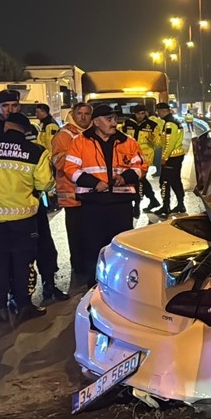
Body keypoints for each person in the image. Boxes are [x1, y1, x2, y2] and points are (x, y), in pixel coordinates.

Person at [0, 112, 53, 325]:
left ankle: (0, 309)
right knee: (23, 263)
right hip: (24, 219)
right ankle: (24, 306)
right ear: (26, 130)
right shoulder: (36, 152)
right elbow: (45, 183)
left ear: (6, 127)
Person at [63, 104, 145, 289]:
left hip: (121, 204)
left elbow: (140, 166)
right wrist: (94, 183)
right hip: (93, 205)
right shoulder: (80, 142)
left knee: (122, 248)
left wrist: (125, 178)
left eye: (115, 118)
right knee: (93, 249)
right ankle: (95, 287)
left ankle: (122, 286)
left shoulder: (128, 141)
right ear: (96, 122)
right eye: (109, 119)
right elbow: (70, 169)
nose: (114, 123)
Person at [51, 102, 93, 295]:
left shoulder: (93, 133)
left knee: (91, 233)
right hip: (72, 194)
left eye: (87, 114)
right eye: (79, 113)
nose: (83, 117)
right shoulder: (64, 135)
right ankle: (79, 267)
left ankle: (89, 265)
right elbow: (59, 162)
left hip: (91, 194)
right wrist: (82, 158)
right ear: (73, 115)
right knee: (76, 235)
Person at [24, 118, 66, 303]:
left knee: (20, 253)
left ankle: (18, 296)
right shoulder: (34, 150)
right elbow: (45, 182)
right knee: (43, 246)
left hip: (4, 210)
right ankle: (48, 286)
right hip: (31, 204)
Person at [120, 105, 160, 215]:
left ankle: (137, 205)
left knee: (138, 180)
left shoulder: (152, 125)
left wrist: (152, 138)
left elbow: (158, 143)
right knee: (138, 180)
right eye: (138, 113)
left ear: (146, 113)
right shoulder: (127, 123)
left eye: (142, 113)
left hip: (145, 157)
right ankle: (152, 200)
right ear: (134, 113)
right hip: (130, 156)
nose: (140, 116)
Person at [151, 103, 187, 216]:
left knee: (164, 181)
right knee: (175, 181)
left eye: (158, 112)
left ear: (163, 111)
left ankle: (165, 206)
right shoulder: (175, 121)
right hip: (178, 155)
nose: (158, 114)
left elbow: (169, 143)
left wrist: (164, 158)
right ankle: (180, 205)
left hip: (172, 157)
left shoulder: (169, 124)